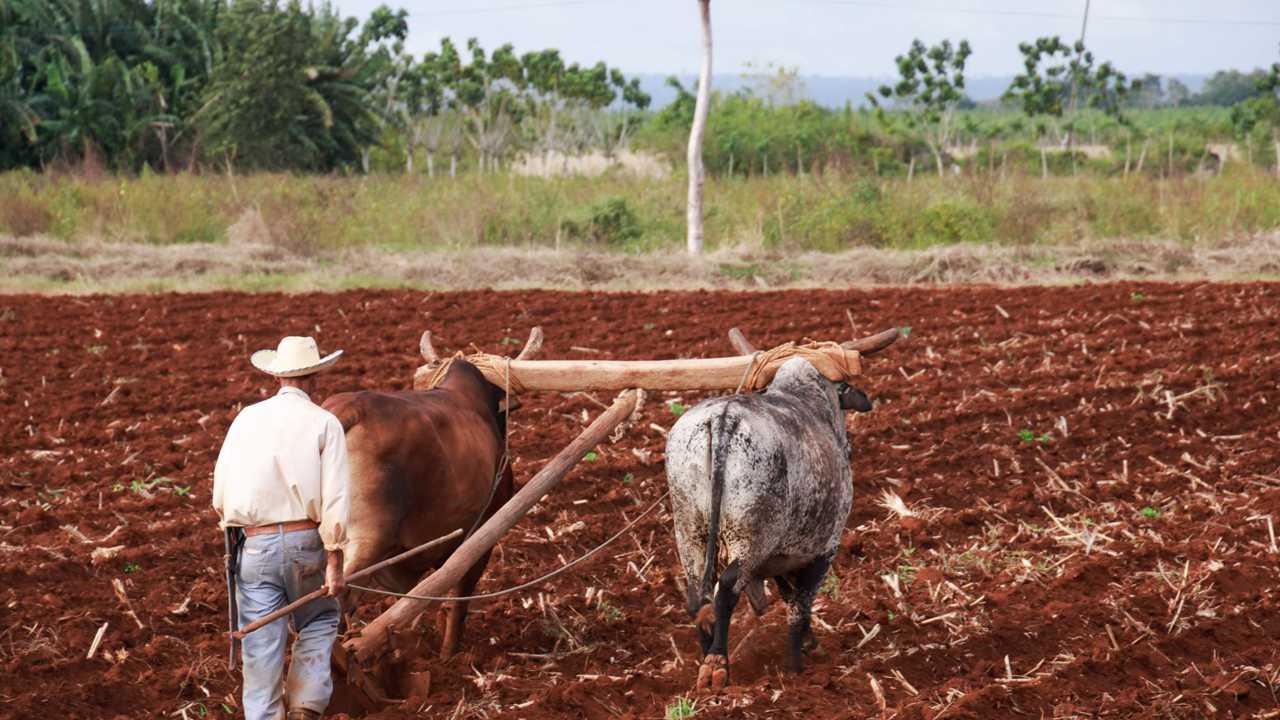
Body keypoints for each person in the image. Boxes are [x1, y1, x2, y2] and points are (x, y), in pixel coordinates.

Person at [212, 336, 350, 720]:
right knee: (320, 619)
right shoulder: (325, 422)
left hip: (253, 546)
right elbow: (336, 498)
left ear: (277, 377)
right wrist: (335, 562)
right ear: (315, 379)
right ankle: (305, 706)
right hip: (307, 541)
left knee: (260, 641)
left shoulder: (246, 419)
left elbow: (220, 494)